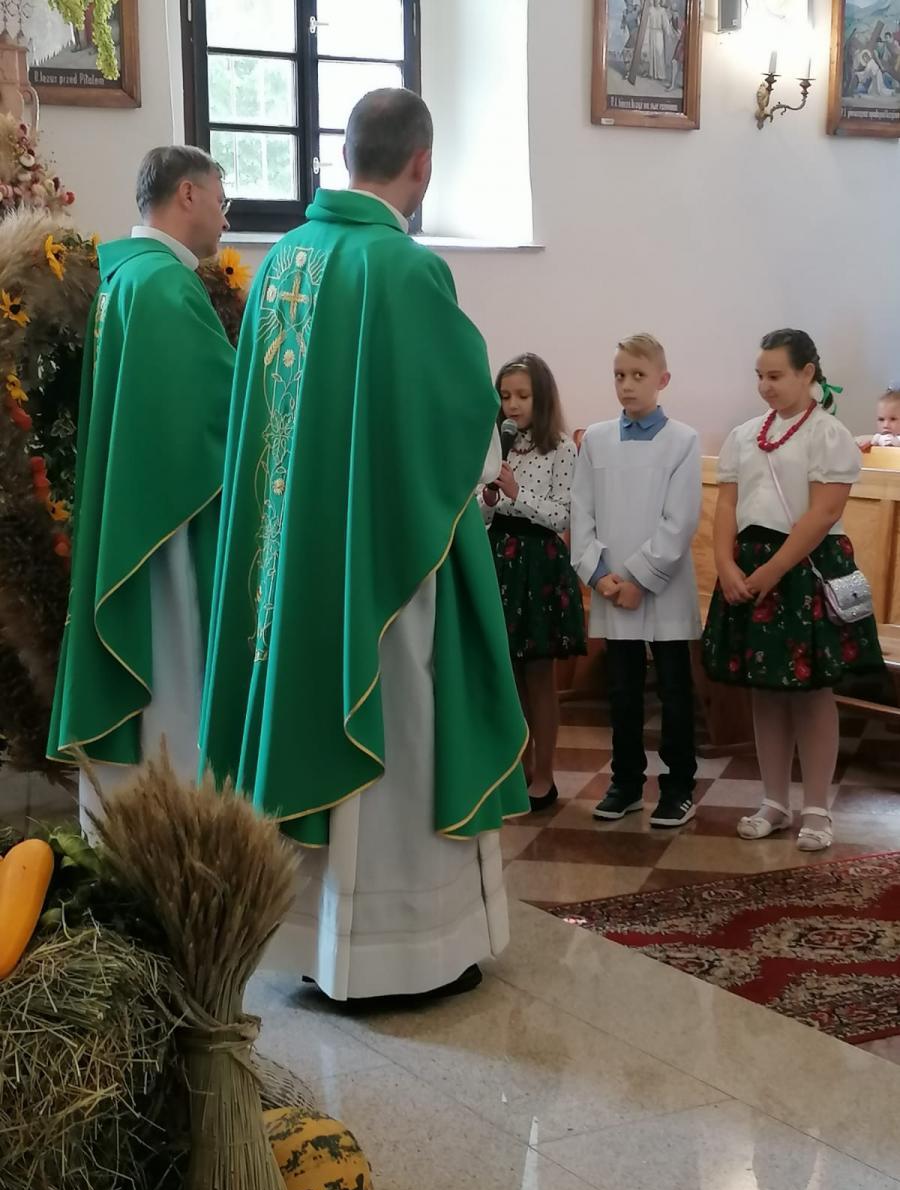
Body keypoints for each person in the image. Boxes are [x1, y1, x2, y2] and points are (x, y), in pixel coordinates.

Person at [199, 89, 529, 1004]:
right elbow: (461, 415)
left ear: (346, 157)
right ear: (422, 164)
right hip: (387, 564)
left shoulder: (281, 262)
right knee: (406, 730)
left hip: (292, 564)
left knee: (309, 712)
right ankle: (402, 949)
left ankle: (312, 939)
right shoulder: (404, 268)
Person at [47, 146, 235, 831]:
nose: (224, 218)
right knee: (175, 677)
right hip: (166, 531)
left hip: (142, 514)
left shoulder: (127, 280)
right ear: (187, 194)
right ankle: (173, 834)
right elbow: (221, 410)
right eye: (221, 200)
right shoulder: (163, 287)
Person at [702, 329, 884, 851]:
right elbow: (728, 505)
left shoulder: (828, 434)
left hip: (802, 567)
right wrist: (725, 564)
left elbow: (824, 514)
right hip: (751, 564)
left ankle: (817, 809)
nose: (765, 385)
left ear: (807, 374)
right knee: (765, 689)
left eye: (776, 375)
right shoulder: (744, 435)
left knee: (812, 693)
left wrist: (772, 572)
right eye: (759, 376)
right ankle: (774, 802)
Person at [571, 334, 702, 828]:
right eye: (620, 375)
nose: (627, 384)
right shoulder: (597, 439)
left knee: (674, 691)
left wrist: (639, 580)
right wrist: (600, 575)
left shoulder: (683, 440)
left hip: (661, 587)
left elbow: (680, 519)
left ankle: (678, 787)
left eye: (638, 375)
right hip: (611, 586)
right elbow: (581, 511)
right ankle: (625, 782)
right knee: (623, 691)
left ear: (662, 380)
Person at [479, 354, 586, 812]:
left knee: (539, 675)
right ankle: (515, 769)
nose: (513, 405)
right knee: (508, 673)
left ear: (542, 397)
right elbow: (482, 514)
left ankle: (545, 774)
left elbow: (562, 515)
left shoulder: (560, 447)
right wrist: (489, 499)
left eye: (523, 395)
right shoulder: (495, 446)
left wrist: (517, 494)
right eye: (505, 396)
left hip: (539, 563)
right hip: (499, 560)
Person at [857, 383, 900, 450]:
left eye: (893, 419)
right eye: (881, 419)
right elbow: (854, 442)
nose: (886, 425)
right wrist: (874, 439)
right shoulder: (877, 439)